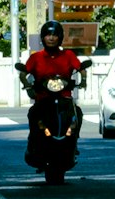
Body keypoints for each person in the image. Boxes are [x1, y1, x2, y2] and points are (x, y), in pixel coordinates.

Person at [21, 27, 87, 183]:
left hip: (64, 99)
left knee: (77, 112)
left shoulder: (68, 55)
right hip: (43, 99)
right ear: (43, 38)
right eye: (48, 35)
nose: (51, 38)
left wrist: (83, 80)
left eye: (54, 35)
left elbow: (81, 69)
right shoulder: (36, 57)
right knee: (33, 113)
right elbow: (24, 73)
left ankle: (74, 142)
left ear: (60, 37)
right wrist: (28, 87)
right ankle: (34, 143)